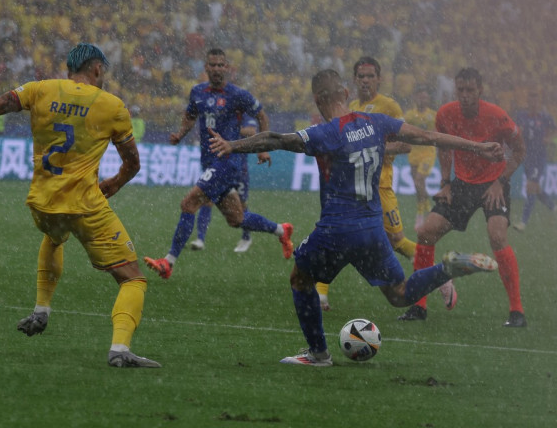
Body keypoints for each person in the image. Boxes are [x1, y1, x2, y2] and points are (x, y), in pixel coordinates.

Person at [208, 69, 502, 366]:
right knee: (399, 294)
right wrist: (478, 147)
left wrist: (233, 146)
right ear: (346, 94)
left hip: (336, 228)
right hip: (372, 229)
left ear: (318, 100)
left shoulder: (327, 132)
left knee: (300, 279)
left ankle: (319, 353)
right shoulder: (376, 123)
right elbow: (427, 137)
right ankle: (447, 268)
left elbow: (275, 139)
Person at [0, 43, 160, 367]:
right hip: (85, 206)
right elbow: (132, 164)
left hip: (42, 203)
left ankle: (41, 310)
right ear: (96, 69)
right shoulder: (112, 106)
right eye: (103, 71)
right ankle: (120, 350)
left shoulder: (40, 90)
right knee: (132, 278)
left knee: (54, 236)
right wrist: (113, 184)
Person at [143, 48, 293, 279]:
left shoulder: (237, 95)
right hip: (210, 161)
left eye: (221, 65)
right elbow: (191, 115)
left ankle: (168, 262)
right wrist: (181, 133)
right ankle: (282, 230)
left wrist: (262, 147)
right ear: (206, 68)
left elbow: (262, 116)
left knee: (189, 203)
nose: (216, 69)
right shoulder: (198, 92)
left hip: (228, 162)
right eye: (212, 65)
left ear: (227, 68)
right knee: (237, 219)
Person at [398, 68, 528, 327]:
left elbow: (520, 150)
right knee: (426, 232)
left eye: (470, 90)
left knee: (497, 236)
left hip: (494, 184)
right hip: (462, 185)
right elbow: (444, 146)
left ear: (480, 90)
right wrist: (445, 183)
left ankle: (517, 312)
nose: (465, 95)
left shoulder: (498, 116)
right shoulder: (446, 114)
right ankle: (419, 306)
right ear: (456, 90)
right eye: (461, 90)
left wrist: (500, 182)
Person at [316, 56, 442, 312]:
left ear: (379, 79)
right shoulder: (349, 105)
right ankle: (320, 293)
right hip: (354, 186)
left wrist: (373, 145)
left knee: (394, 240)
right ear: (354, 80)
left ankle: (441, 276)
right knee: (338, 233)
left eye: (370, 76)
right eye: (361, 76)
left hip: (380, 184)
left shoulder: (389, 106)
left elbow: (406, 144)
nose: (365, 81)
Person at [189, 116, 257, 253]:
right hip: (221, 166)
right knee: (206, 199)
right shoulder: (224, 112)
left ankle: (246, 237)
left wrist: (231, 130)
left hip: (239, 169)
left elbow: (252, 132)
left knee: (241, 205)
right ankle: (200, 239)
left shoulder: (245, 116)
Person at [511, 87, 556, 231]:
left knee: (530, 186)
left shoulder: (545, 117)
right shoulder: (522, 116)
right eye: (532, 100)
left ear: (539, 102)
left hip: (539, 157)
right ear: (528, 102)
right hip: (527, 157)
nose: (534, 103)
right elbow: (515, 130)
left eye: (536, 100)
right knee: (536, 188)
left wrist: (548, 138)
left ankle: (523, 222)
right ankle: (553, 206)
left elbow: (554, 129)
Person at [405, 86, 438, 230]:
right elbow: (404, 129)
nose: (422, 99)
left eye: (425, 97)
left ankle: (420, 215)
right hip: (413, 152)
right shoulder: (410, 115)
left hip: (428, 153)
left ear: (428, 99)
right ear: (415, 98)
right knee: (418, 185)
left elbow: (437, 132)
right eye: (420, 97)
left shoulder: (434, 115)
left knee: (419, 180)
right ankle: (428, 207)